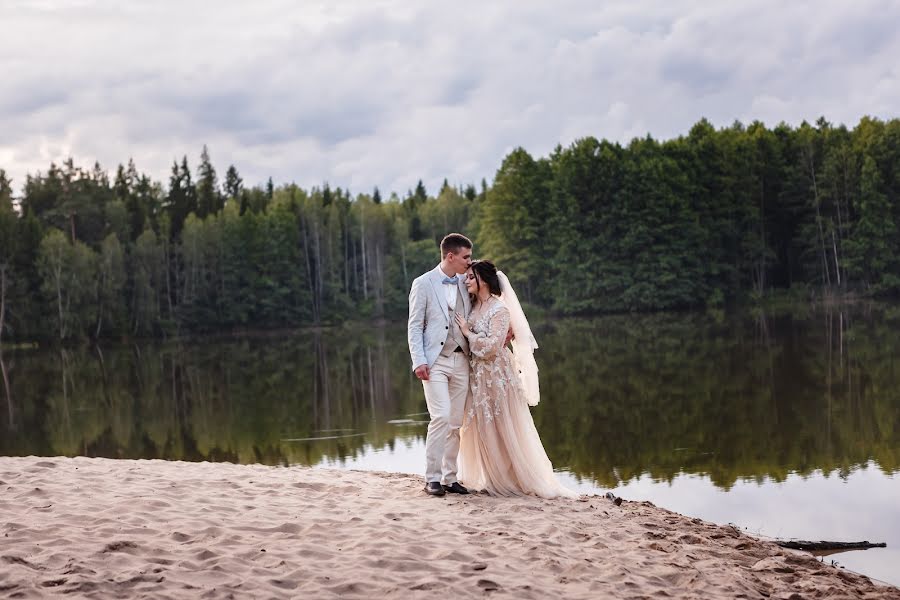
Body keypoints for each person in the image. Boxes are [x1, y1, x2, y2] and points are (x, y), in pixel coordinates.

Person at [455, 260, 577, 499]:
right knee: (481, 424)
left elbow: (491, 347)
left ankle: (510, 478)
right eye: (466, 277)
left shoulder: (500, 310)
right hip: (478, 375)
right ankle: (489, 476)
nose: (466, 280)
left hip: (497, 374)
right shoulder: (471, 307)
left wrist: (468, 333)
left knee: (503, 424)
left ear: (485, 281)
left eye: (471, 277)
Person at [407, 233, 473, 496]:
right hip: (434, 362)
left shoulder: (466, 282)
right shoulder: (423, 283)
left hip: (461, 360)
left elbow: (486, 303)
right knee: (441, 417)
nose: (470, 261)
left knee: (455, 422)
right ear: (451, 256)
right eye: (466, 257)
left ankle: (450, 478)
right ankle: (431, 478)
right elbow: (414, 325)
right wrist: (418, 360)